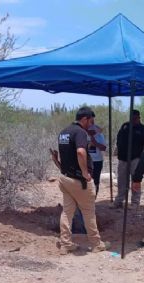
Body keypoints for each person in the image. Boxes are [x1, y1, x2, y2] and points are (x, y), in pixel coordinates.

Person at [49, 106, 107, 255]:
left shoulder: (64, 132)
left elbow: (64, 159)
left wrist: (56, 161)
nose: (91, 124)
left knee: (67, 212)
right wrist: (85, 173)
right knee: (89, 212)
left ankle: (65, 243)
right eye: (90, 121)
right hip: (79, 181)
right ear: (84, 119)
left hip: (65, 178)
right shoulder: (80, 132)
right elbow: (80, 152)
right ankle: (96, 244)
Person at [114, 109, 144, 208]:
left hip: (136, 158)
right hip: (122, 158)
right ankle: (119, 200)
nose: (133, 120)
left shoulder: (143, 129)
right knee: (121, 180)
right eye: (131, 118)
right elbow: (119, 138)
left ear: (139, 117)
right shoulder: (125, 126)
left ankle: (135, 202)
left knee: (136, 180)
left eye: (135, 118)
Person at [87, 122, 107, 196]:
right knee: (86, 180)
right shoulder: (83, 135)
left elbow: (104, 148)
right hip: (86, 161)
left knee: (96, 180)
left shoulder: (100, 135)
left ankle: (94, 197)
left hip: (97, 161)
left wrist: (95, 143)